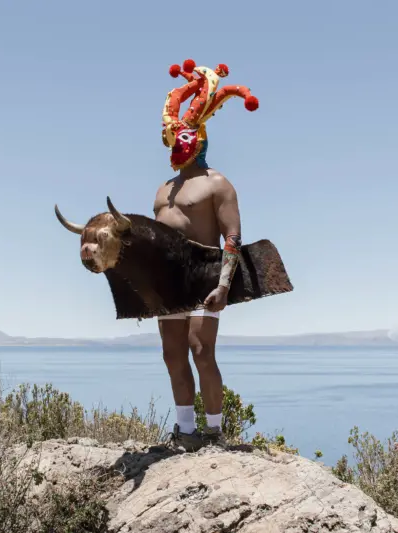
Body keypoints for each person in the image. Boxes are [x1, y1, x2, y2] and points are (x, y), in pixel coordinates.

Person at [152, 59, 259, 451]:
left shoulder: (218, 184)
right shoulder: (162, 190)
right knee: (172, 354)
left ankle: (214, 432)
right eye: (170, 134)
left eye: (182, 134)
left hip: (205, 273)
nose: (175, 141)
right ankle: (186, 431)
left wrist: (224, 284)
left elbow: (232, 235)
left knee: (201, 349)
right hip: (168, 280)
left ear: (198, 138)